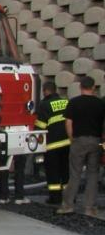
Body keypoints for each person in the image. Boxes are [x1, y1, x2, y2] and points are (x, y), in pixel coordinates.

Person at [57, 76, 105, 216]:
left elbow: (68, 123)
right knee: (93, 174)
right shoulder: (100, 104)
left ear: (80, 87)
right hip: (96, 141)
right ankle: (89, 208)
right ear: (93, 87)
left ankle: (68, 205)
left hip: (78, 140)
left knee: (75, 174)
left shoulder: (73, 102)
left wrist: (72, 138)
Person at [34, 81, 69, 204]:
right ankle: (69, 197)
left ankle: (55, 198)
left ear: (45, 91)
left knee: (53, 172)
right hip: (67, 143)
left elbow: (41, 126)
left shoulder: (44, 105)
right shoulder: (66, 102)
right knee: (66, 171)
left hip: (52, 144)